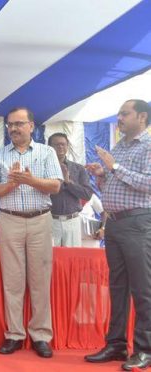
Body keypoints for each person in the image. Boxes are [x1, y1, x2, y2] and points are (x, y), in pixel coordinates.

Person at [0, 107, 62, 358]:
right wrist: (10, 184)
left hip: (40, 220)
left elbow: (55, 185)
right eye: (10, 125)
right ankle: (14, 335)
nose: (14, 129)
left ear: (31, 126)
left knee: (40, 281)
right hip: (10, 221)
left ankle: (40, 335)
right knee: (13, 281)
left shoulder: (46, 152)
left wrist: (30, 181)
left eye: (19, 124)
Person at [84, 99, 151, 371]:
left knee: (143, 289)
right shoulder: (120, 146)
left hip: (138, 223)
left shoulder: (147, 146)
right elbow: (118, 183)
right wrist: (102, 174)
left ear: (142, 118)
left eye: (125, 114)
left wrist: (114, 168)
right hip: (114, 223)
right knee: (118, 287)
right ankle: (116, 344)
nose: (119, 118)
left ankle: (145, 349)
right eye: (120, 114)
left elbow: (148, 183)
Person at [47, 133, 93, 247]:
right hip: (50, 220)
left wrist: (69, 182)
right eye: (56, 145)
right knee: (51, 258)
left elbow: (87, 194)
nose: (60, 147)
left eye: (63, 144)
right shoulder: (44, 168)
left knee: (72, 258)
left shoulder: (78, 169)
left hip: (72, 220)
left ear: (67, 146)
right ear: (49, 147)